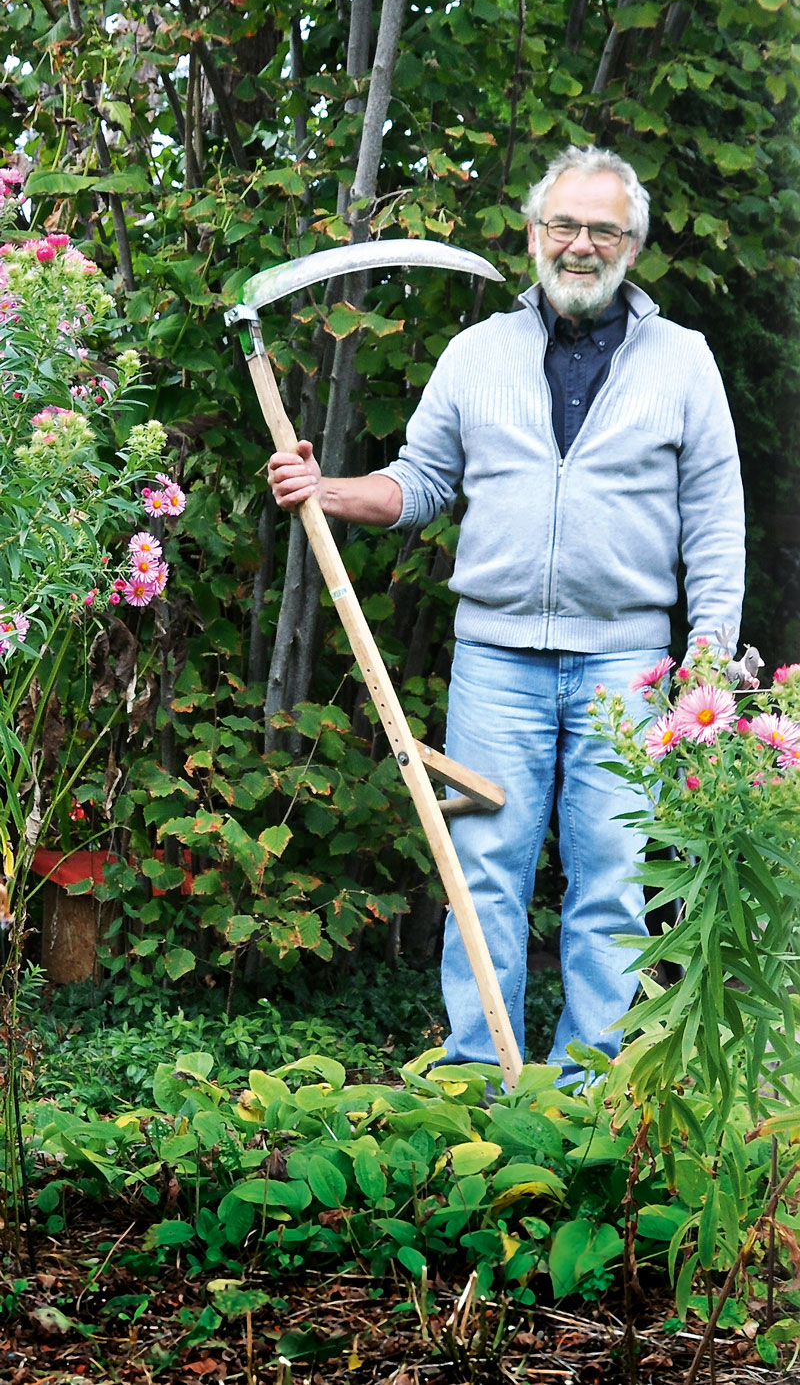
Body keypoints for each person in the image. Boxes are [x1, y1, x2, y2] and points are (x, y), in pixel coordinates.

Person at [267, 145, 745, 1082]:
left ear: (633, 244)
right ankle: (482, 1073)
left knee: (612, 881)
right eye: (563, 225)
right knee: (481, 876)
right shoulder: (476, 353)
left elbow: (716, 527)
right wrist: (326, 489)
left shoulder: (684, 361)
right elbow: (421, 482)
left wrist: (709, 660)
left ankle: (585, 1086)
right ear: (534, 233)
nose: (580, 245)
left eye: (602, 229)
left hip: (631, 669)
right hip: (496, 660)